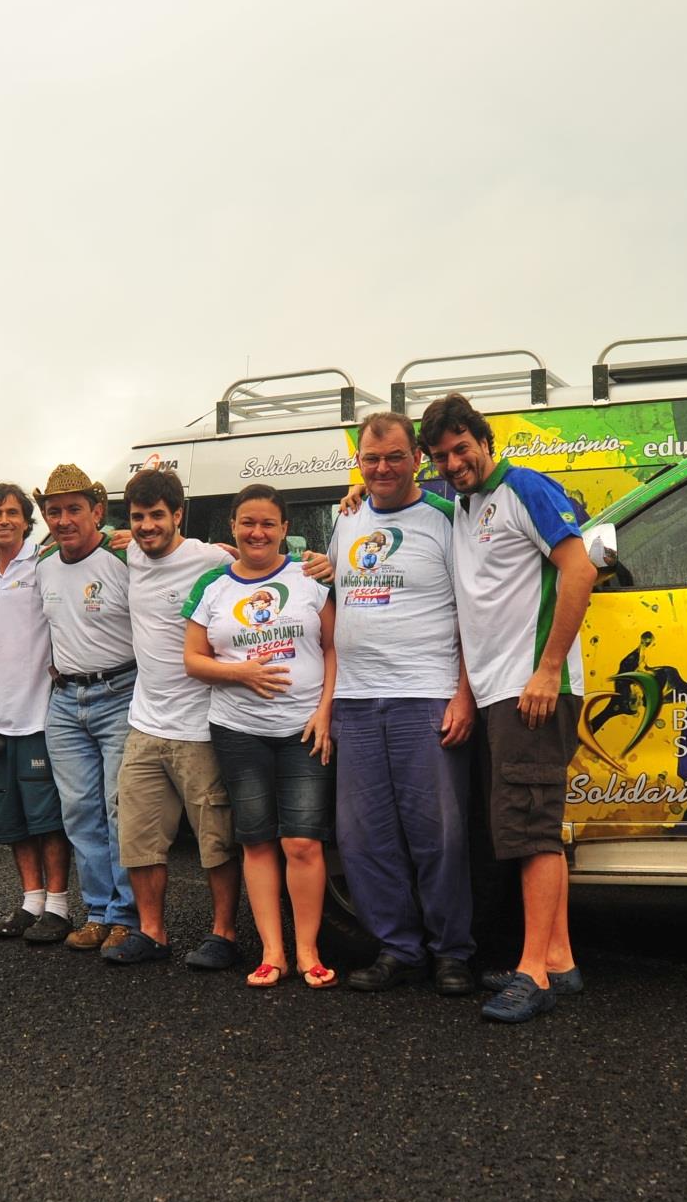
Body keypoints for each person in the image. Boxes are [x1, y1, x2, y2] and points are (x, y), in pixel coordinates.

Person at [418, 393, 594, 1023]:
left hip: (531, 690)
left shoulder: (526, 489)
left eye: (461, 449)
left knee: (529, 832)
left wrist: (547, 670)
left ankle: (532, 974)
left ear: (483, 441)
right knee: (529, 824)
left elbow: (579, 571)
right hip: (496, 692)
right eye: (440, 455)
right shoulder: (464, 506)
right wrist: (356, 494)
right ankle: (560, 960)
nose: (452, 462)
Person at [330, 412, 478, 996]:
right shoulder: (345, 522)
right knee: (363, 837)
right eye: (371, 459)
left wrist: (464, 694)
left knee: (438, 834)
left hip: (427, 696)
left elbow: (475, 614)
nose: (382, 468)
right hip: (357, 702)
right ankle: (398, 948)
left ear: (416, 457)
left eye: (394, 457)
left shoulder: (447, 519)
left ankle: (452, 953)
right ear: (359, 463)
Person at [184, 486, 338, 986]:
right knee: (256, 842)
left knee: (302, 843)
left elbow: (337, 649)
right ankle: (272, 952)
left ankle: (308, 951)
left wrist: (325, 712)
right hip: (238, 730)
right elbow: (193, 659)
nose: (257, 532)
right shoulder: (213, 587)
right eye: (248, 522)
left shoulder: (309, 577)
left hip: (303, 729)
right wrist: (241, 674)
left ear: (285, 529)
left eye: (268, 523)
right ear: (232, 525)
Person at [105, 467, 242, 969]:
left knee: (216, 839)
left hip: (200, 725)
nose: (146, 527)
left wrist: (316, 562)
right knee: (139, 836)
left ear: (178, 515)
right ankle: (152, 932)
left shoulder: (210, 558)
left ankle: (223, 934)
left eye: (157, 516)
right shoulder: (131, 554)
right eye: (138, 517)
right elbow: (98, 535)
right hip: (145, 724)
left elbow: (265, 563)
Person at [34, 464, 138, 950]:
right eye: (54, 511)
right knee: (79, 812)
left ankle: (127, 915)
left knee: (121, 809)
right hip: (65, 702)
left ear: (97, 511)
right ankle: (97, 911)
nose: (64, 519)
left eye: (74, 509)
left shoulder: (124, 558)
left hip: (120, 693)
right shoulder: (43, 566)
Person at [0, 482, 74, 942]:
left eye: (13, 512)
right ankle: (30, 901)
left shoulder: (45, 563)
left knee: (47, 817)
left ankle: (59, 905)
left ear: (27, 521)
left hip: (39, 712)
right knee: (11, 820)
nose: (4, 520)